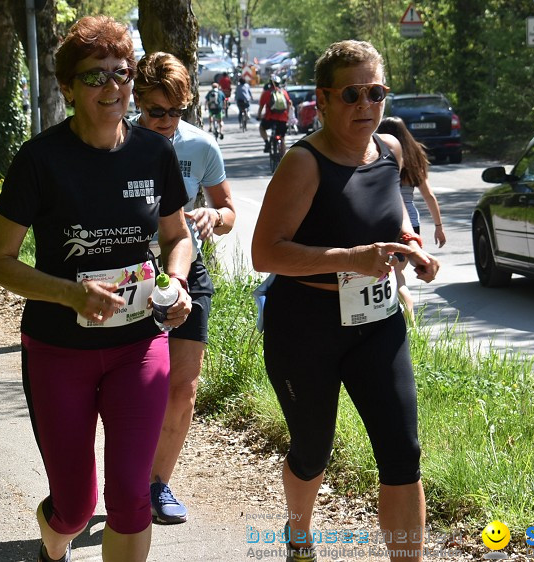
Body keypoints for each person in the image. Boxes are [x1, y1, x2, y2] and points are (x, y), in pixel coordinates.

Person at [0, 15, 194, 562]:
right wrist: (72, 295)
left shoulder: (154, 152)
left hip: (138, 345)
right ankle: (54, 542)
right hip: (59, 349)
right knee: (76, 507)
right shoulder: (40, 160)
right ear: (68, 87)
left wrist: (178, 282)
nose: (112, 87)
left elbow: (177, 236)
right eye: (94, 76)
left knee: (129, 498)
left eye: (121, 73)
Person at [251, 40, 440, 562]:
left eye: (375, 92)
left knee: (403, 454)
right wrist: (351, 258)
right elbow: (265, 253)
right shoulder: (304, 163)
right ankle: (299, 535)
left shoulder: (391, 151)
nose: (366, 106)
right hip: (306, 328)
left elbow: (393, 217)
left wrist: (413, 249)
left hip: (378, 322)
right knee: (313, 452)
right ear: (325, 99)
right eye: (352, 94)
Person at [132, 52, 237, 525]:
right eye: (157, 111)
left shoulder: (200, 146)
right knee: (129, 388)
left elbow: (229, 211)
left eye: (176, 111)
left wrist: (215, 216)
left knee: (183, 388)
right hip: (130, 273)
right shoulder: (120, 142)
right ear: (138, 102)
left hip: (187, 272)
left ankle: (157, 484)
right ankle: (120, 480)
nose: (168, 122)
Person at [376, 117, 447, 320]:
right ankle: (406, 322)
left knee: (395, 278)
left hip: (391, 222)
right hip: (412, 225)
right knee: (399, 276)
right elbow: (429, 196)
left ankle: (409, 321)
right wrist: (438, 226)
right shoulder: (415, 156)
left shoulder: (380, 153)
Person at [257, 76, 292, 156]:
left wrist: (259, 116)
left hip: (270, 118)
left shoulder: (267, 93)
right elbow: (289, 103)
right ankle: (283, 159)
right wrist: (288, 115)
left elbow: (261, 106)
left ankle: (266, 142)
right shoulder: (284, 92)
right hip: (283, 119)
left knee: (262, 128)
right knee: (282, 139)